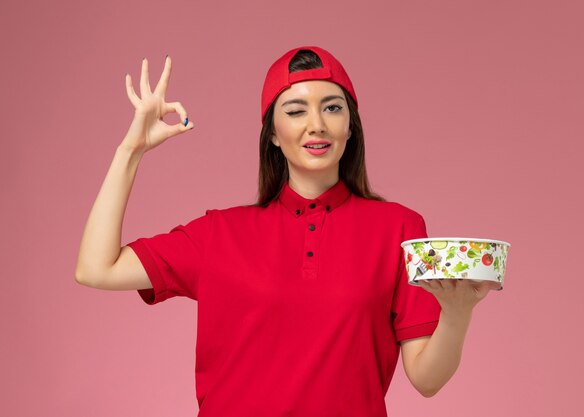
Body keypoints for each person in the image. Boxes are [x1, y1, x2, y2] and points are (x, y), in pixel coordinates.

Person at [75, 45, 499, 416]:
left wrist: (458, 313)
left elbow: (426, 379)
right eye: (295, 111)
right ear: (273, 135)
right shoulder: (219, 233)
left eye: (332, 107)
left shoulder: (400, 229)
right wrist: (130, 150)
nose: (316, 124)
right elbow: (96, 269)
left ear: (350, 126)